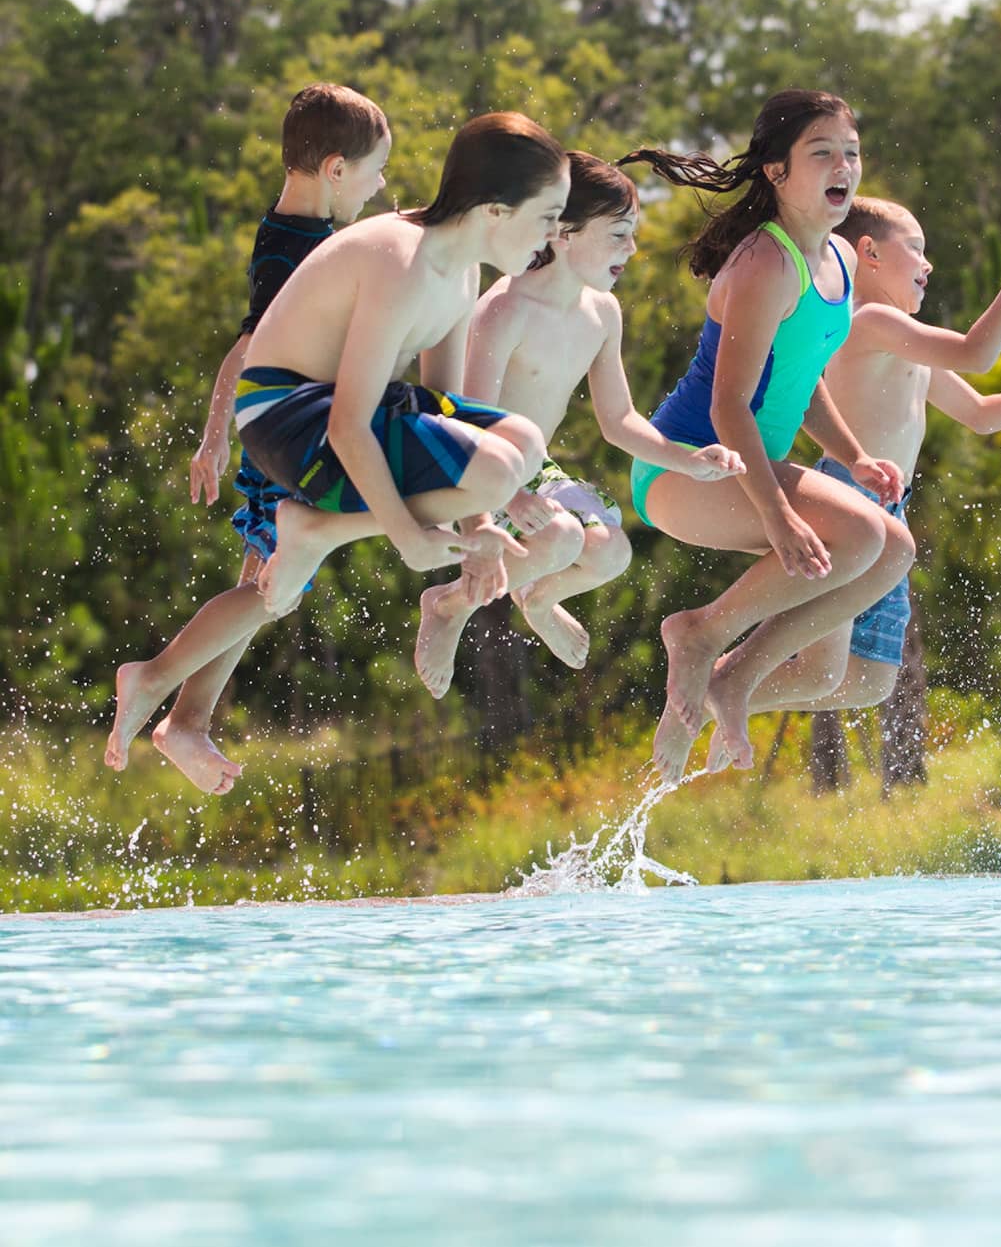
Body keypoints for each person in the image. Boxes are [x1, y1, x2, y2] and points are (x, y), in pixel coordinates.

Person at [103, 112, 569, 780]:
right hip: (288, 417)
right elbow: (351, 426)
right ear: (496, 210)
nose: (553, 237)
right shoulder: (404, 262)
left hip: (337, 414)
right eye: (549, 215)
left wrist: (481, 528)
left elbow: (445, 414)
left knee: (517, 441)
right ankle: (316, 529)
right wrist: (410, 535)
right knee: (497, 466)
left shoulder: (459, 271)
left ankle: (318, 530)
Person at [711, 195, 1001, 749]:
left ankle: (720, 693)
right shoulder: (871, 319)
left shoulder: (902, 338)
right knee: (823, 670)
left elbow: (978, 414)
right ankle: (718, 685)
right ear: (870, 253)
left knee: (864, 682)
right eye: (917, 247)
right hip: (844, 499)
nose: (928, 263)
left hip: (887, 509)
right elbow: (977, 353)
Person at [622, 90, 913, 783]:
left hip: (748, 462)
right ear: (777, 171)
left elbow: (803, 380)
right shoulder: (765, 263)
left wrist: (855, 456)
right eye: (822, 152)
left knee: (889, 554)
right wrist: (779, 515)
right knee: (864, 539)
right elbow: (728, 407)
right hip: (689, 468)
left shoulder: (838, 258)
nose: (844, 164)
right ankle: (701, 633)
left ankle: (734, 679)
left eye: (851, 151)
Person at [414, 150, 744, 695]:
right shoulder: (506, 311)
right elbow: (466, 423)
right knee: (564, 537)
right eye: (618, 234)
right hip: (470, 471)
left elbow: (618, 420)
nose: (632, 249)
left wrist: (689, 460)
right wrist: (510, 498)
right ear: (563, 233)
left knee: (611, 551)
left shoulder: (601, 313)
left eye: (632, 234)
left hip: (531, 471)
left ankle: (540, 600)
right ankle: (448, 605)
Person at [160, 82, 390, 795]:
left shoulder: (295, 233)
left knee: (264, 587)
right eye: (377, 169)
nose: (382, 185)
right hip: (282, 440)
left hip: (287, 434)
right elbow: (248, 345)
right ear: (335, 169)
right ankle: (173, 707)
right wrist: (214, 434)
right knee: (267, 589)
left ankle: (186, 718)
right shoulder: (297, 249)